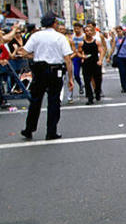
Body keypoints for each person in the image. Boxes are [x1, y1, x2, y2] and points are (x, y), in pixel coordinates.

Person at [19, 11, 73, 140]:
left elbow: (24, 52)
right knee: (54, 101)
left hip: (39, 70)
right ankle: (51, 131)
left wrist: (36, 56)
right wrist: (70, 78)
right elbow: (67, 58)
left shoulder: (36, 36)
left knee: (35, 100)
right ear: (54, 23)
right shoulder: (60, 37)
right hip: (55, 71)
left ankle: (29, 129)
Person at [81, 24, 105, 104]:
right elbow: (79, 52)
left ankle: (97, 92)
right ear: (84, 32)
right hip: (86, 63)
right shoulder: (82, 43)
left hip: (95, 62)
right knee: (87, 81)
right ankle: (90, 98)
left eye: (90, 31)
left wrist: (100, 60)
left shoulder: (96, 42)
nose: (89, 32)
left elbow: (101, 51)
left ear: (93, 32)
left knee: (98, 79)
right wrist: (82, 57)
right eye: (87, 31)